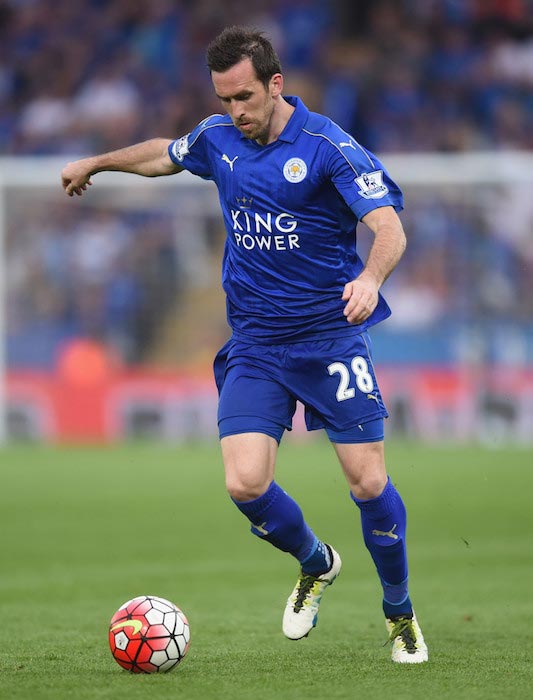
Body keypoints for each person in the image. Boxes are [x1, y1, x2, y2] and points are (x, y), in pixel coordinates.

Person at [61, 25, 428, 664]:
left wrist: (370, 277)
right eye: (225, 98)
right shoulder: (220, 139)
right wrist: (97, 162)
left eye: (245, 97)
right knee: (244, 483)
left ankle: (399, 612)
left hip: (328, 339)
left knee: (368, 483)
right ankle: (316, 562)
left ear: (275, 84)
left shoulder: (326, 146)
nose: (236, 111)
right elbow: (162, 155)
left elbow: (388, 226)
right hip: (256, 343)